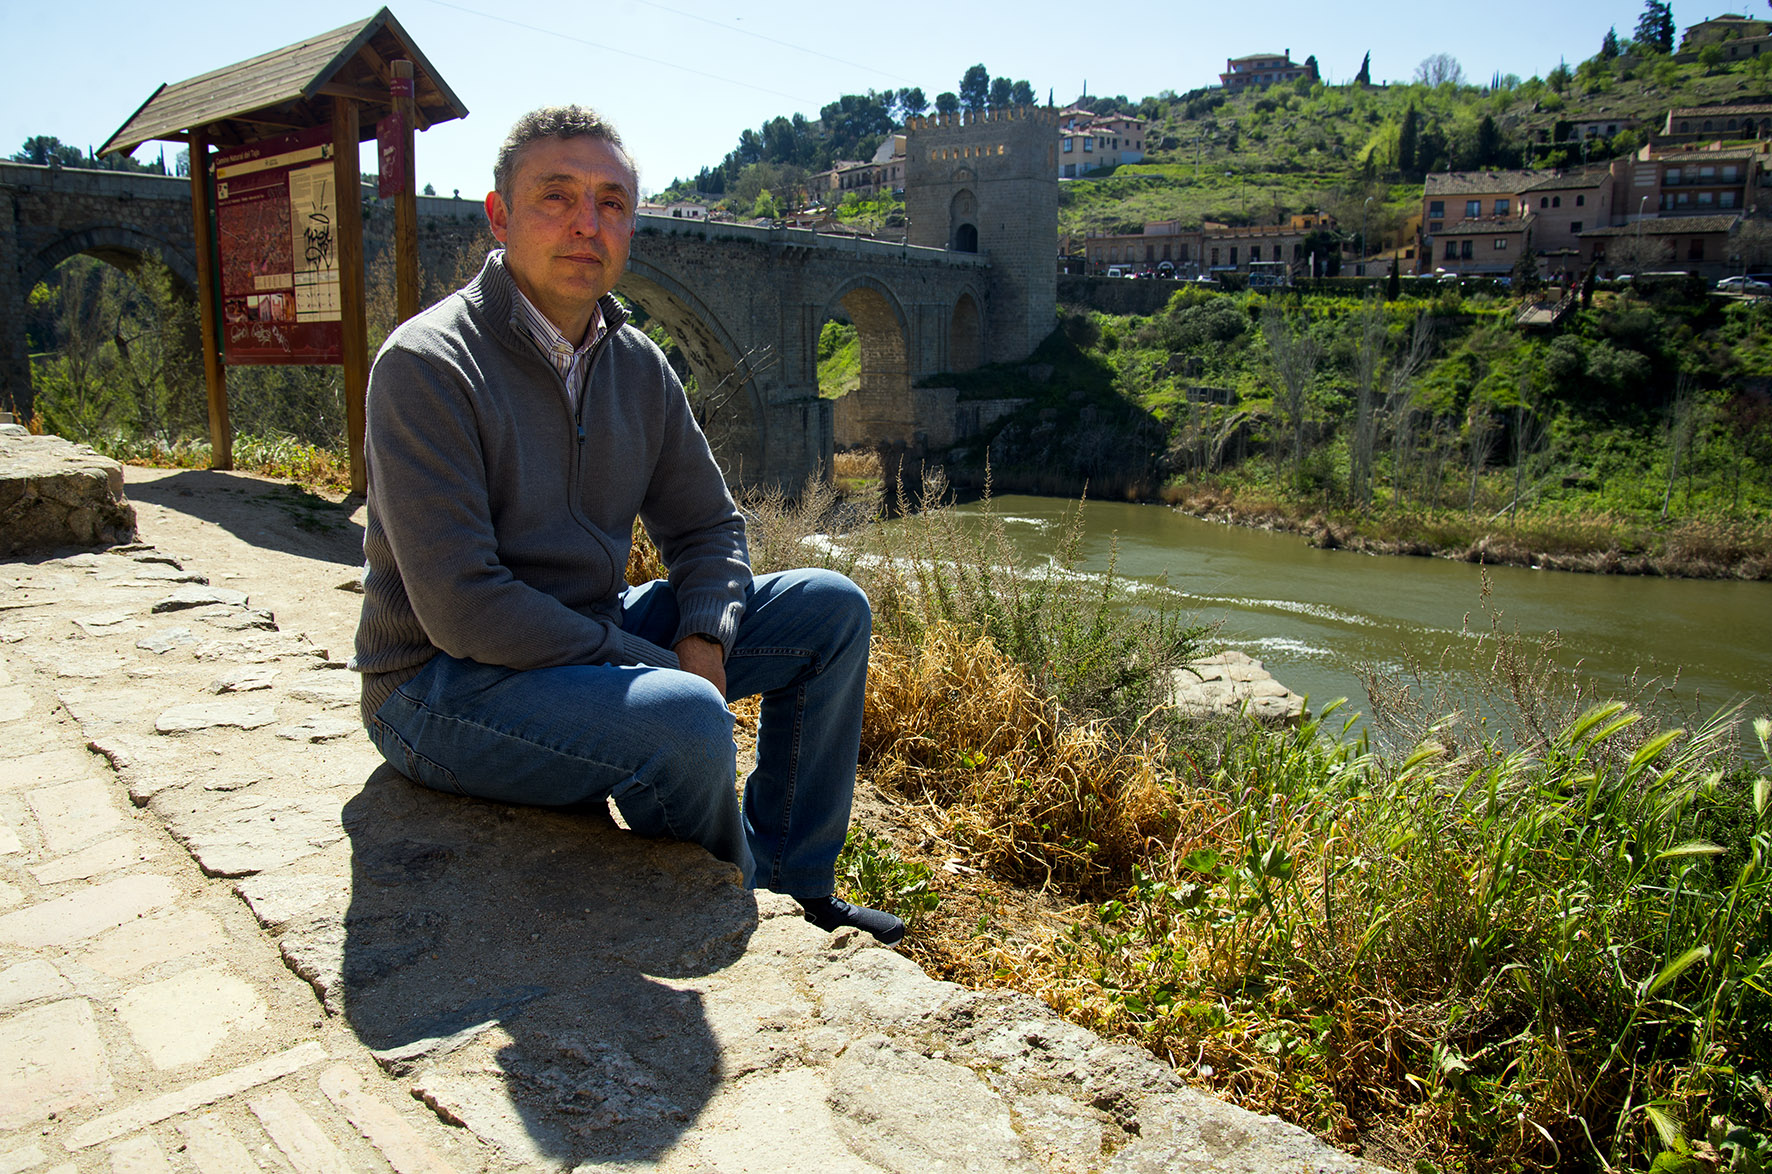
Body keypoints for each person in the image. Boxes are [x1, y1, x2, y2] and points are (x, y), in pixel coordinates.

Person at [350, 105, 901, 946]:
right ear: (498, 217)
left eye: (611, 203)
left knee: (830, 607)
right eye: (557, 197)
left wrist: (704, 640)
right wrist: (659, 668)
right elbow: (463, 608)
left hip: (586, 638)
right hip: (438, 687)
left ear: (631, 226)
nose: (587, 223)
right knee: (684, 717)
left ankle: (800, 880)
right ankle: (741, 905)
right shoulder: (428, 367)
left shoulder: (636, 364)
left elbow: (709, 528)